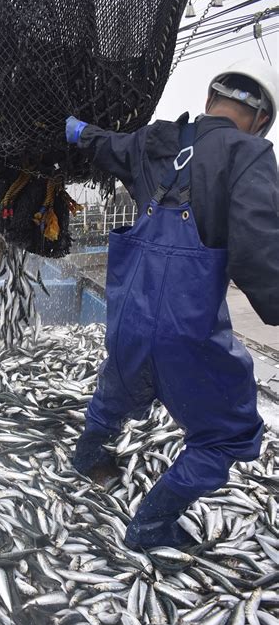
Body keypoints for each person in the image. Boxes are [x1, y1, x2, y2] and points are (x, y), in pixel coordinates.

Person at [65, 59, 278, 551]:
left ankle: (85, 459)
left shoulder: (153, 141)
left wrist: (76, 131)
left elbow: (103, 144)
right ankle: (150, 526)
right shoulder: (250, 153)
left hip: (126, 324)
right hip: (189, 336)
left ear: (208, 103)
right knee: (228, 433)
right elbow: (259, 253)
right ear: (262, 119)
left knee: (115, 391)